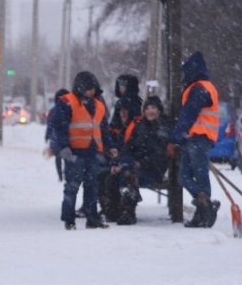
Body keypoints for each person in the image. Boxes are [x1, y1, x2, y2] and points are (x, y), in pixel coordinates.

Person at [48, 70, 111, 230]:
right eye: (89, 88)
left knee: (92, 186)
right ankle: (69, 219)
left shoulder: (98, 105)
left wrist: (110, 147)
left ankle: (92, 218)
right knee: (72, 186)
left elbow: (103, 129)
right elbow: (58, 127)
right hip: (74, 153)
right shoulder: (67, 103)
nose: (92, 92)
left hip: (92, 152)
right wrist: (63, 147)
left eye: (93, 89)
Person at [167, 51, 221, 228]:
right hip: (193, 139)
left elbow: (189, 114)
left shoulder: (201, 88)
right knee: (184, 177)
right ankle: (205, 205)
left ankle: (204, 211)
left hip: (200, 138)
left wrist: (176, 137)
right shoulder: (200, 87)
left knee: (199, 176)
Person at [102, 96, 170, 225]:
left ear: (159, 110)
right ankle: (113, 211)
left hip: (153, 169)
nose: (150, 111)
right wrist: (121, 163)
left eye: (153, 108)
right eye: (147, 108)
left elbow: (159, 154)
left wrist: (140, 163)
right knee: (112, 174)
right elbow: (128, 147)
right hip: (134, 165)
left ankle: (128, 211)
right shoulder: (139, 126)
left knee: (129, 176)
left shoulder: (163, 128)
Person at [44, 88, 70, 182]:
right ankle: (65, 174)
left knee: (58, 156)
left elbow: (49, 124)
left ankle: (60, 175)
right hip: (64, 137)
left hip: (55, 137)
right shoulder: (68, 109)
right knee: (66, 157)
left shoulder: (53, 111)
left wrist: (47, 135)